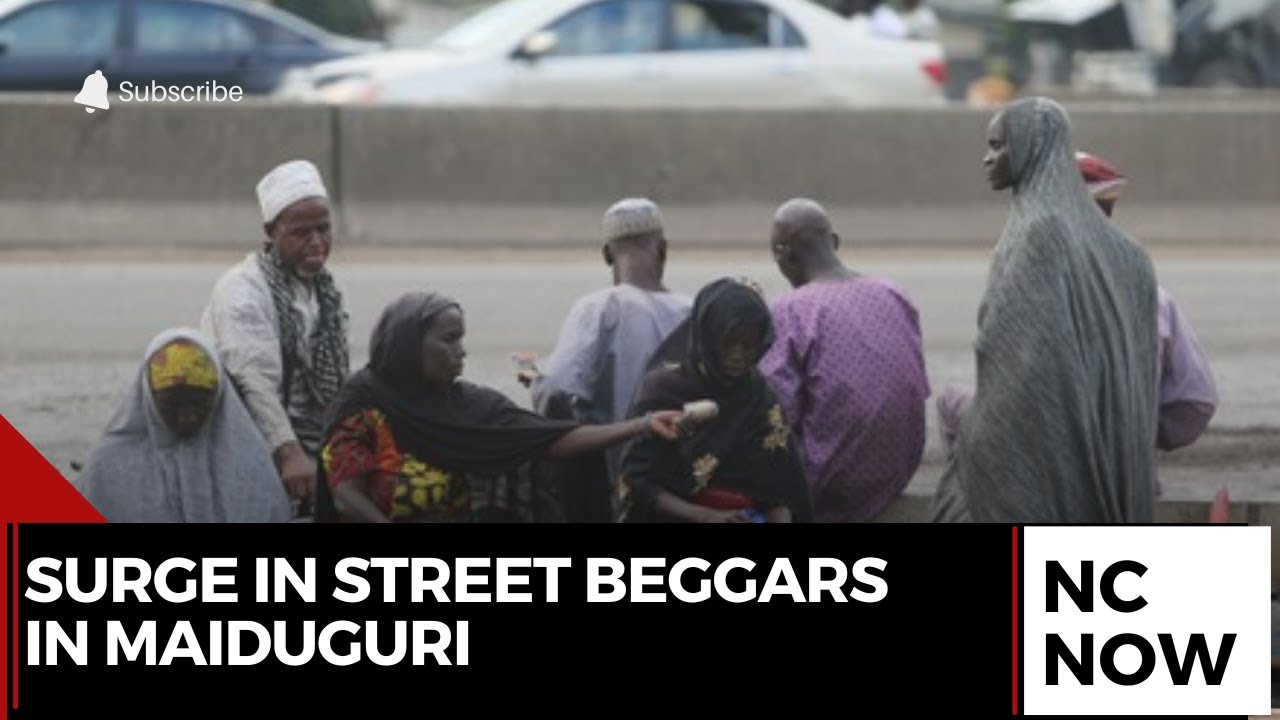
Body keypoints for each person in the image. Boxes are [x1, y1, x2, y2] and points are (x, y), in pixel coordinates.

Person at [931, 96, 1160, 524]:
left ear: (1031, 149)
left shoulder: (1038, 233)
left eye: (1000, 147)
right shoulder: (1129, 252)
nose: (987, 159)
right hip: (1122, 460)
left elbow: (1017, 371)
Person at [936, 150, 1219, 487]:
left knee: (950, 401)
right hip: (1129, 482)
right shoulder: (1152, 292)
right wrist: (1135, 433)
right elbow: (1196, 400)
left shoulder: (1022, 286)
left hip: (1039, 482)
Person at [316, 291, 685, 524]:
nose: (461, 351)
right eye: (448, 340)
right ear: (409, 345)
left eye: (461, 339)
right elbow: (347, 497)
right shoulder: (362, 407)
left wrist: (643, 425)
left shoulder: (469, 404)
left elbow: (549, 440)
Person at [761, 198, 930, 523]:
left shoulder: (790, 311)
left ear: (784, 254)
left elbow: (777, 412)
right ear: (834, 242)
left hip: (830, 484)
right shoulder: (894, 294)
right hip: (897, 470)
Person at [200, 159, 351, 520]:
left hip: (315, 428)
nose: (317, 242)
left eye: (324, 229)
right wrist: (289, 453)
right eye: (303, 232)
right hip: (251, 431)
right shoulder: (243, 290)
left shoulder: (327, 290)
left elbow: (339, 379)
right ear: (271, 231)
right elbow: (254, 383)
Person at [525, 198, 692, 521]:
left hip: (618, 484)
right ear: (663, 249)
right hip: (688, 487)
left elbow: (556, 391)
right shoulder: (694, 310)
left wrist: (537, 379)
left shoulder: (598, 308)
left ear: (606, 254)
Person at [616, 278, 813, 524]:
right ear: (707, 337)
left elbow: (782, 489)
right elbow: (637, 482)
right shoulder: (664, 390)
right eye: (727, 344)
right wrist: (706, 516)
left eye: (748, 346)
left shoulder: (759, 397)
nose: (737, 356)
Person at [77, 328, 293, 523]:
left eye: (199, 404)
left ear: (219, 401)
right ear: (149, 399)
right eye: (173, 405)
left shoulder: (250, 464)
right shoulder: (107, 468)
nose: (187, 418)